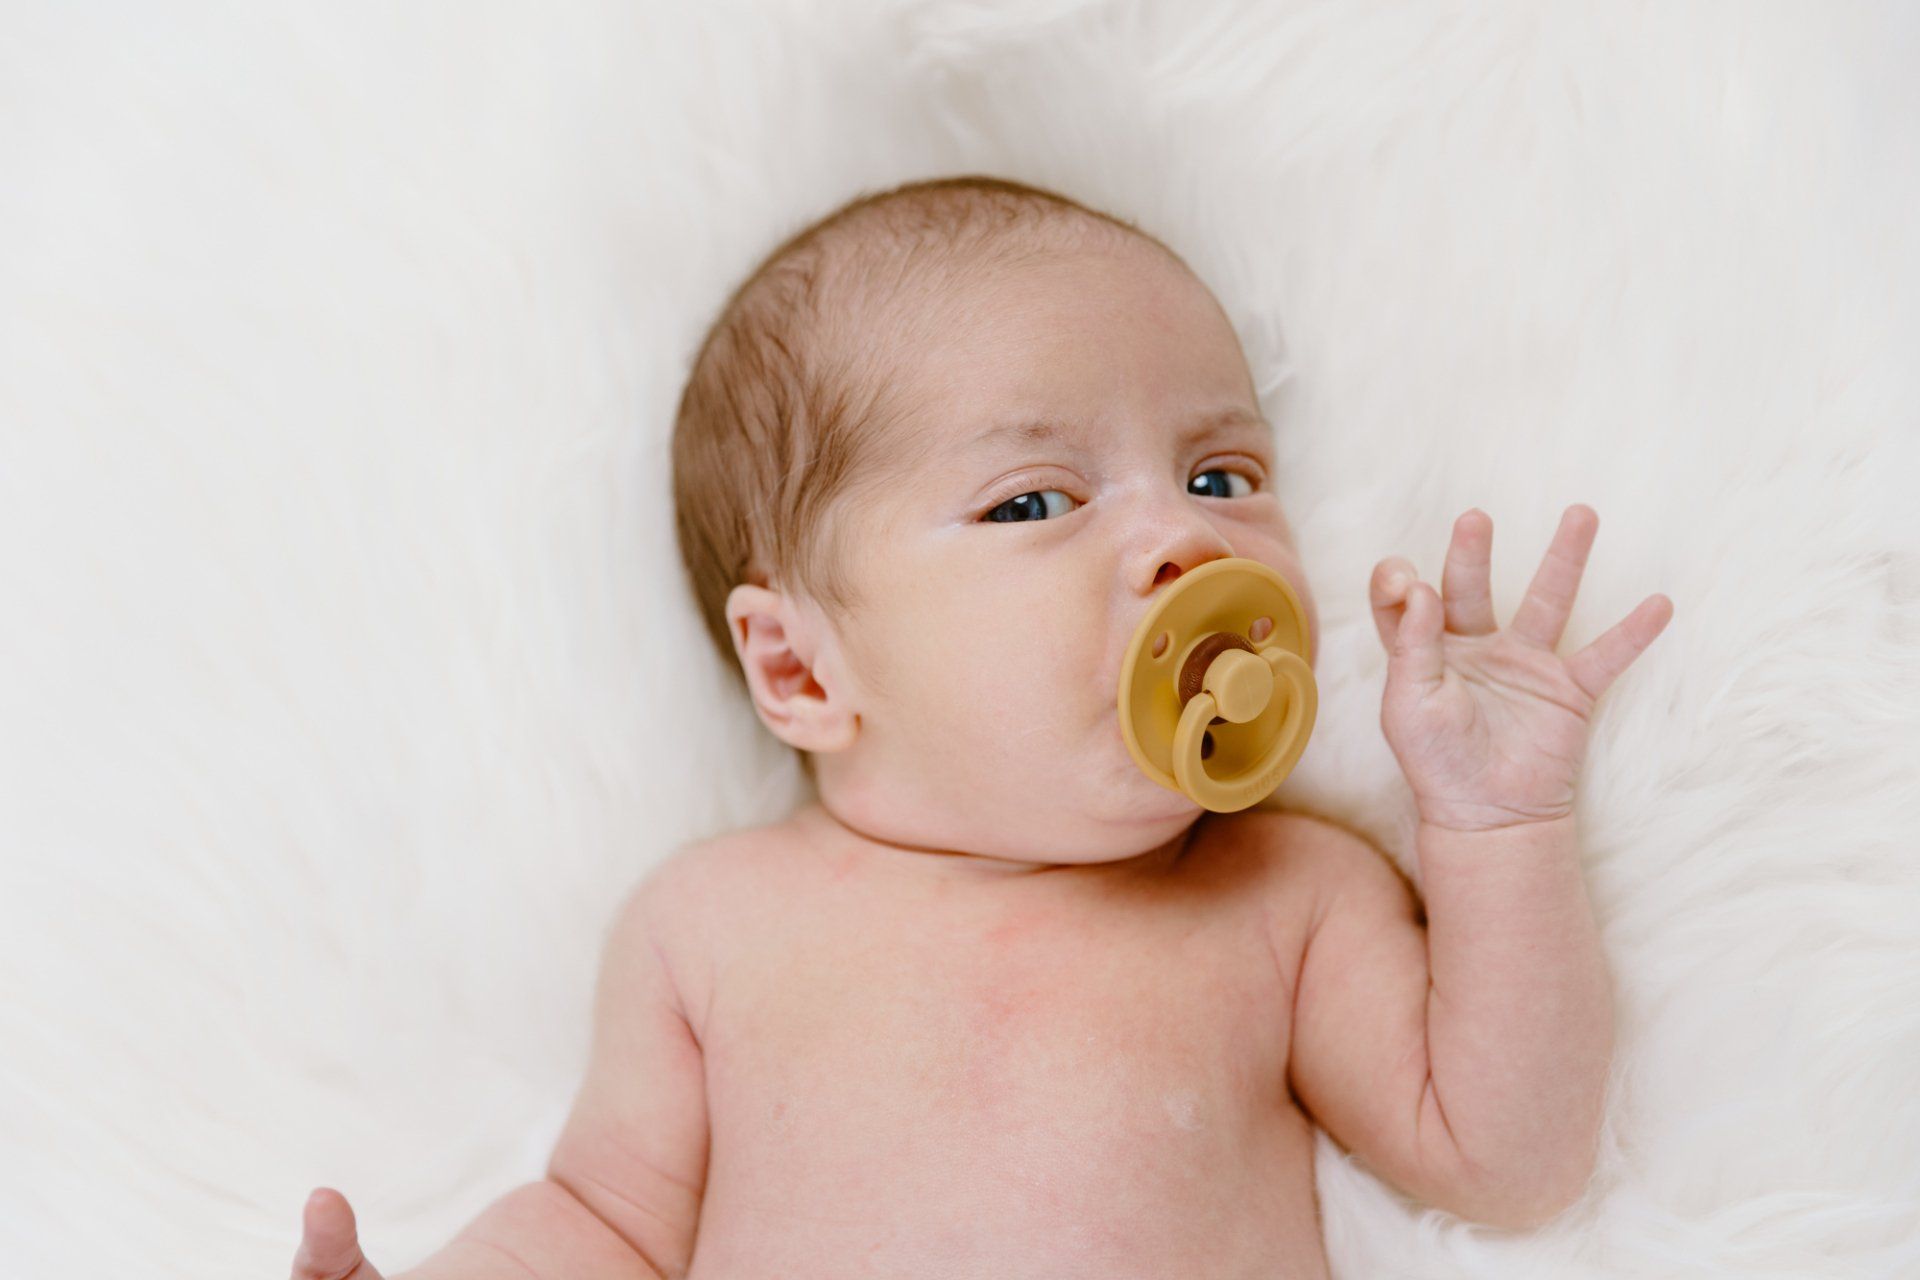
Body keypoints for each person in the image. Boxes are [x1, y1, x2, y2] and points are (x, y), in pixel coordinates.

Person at [291, 174, 1673, 1279]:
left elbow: (1509, 1154)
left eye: (1222, 471)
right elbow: (601, 1225)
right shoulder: (710, 925)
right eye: (1035, 501)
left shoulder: (1284, 896)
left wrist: (1497, 826)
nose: (1181, 538)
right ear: (803, 671)